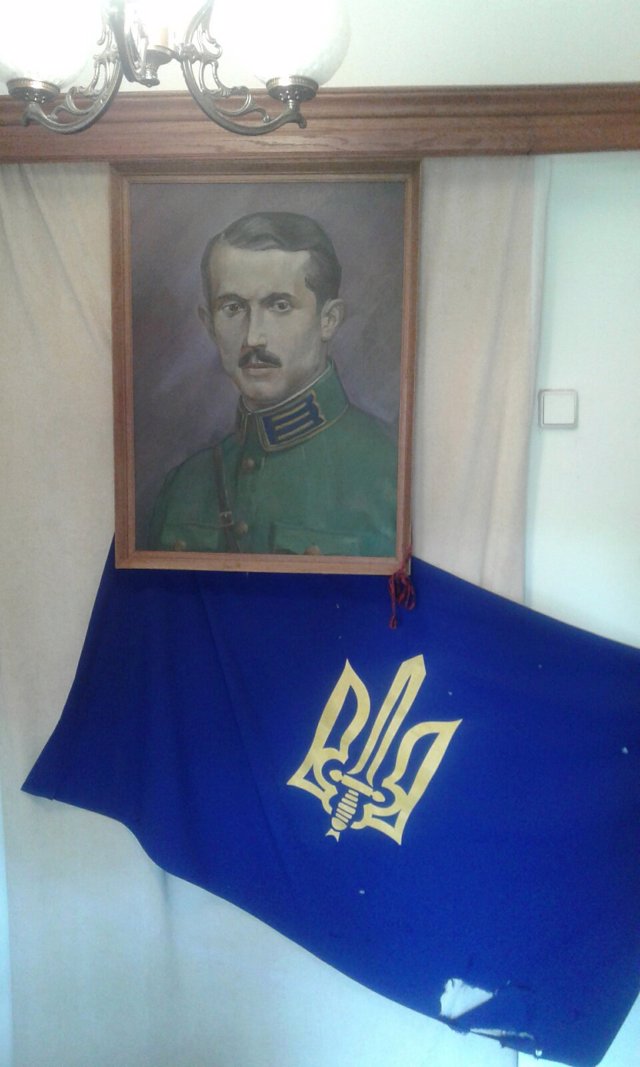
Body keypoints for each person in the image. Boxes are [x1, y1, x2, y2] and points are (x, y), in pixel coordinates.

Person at [148, 211, 397, 557]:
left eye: (280, 305)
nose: (253, 338)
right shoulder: (185, 486)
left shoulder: (390, 472)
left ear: (328, 320)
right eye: (233, 308)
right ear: (209, 324)